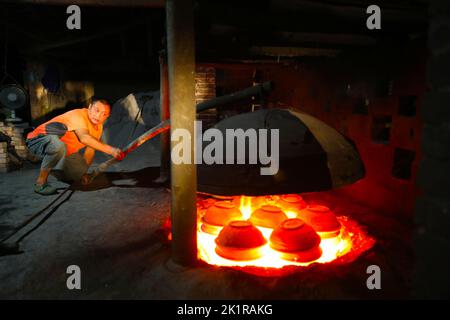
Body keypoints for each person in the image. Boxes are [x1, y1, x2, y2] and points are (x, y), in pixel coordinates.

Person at [26, 97, 124, 195]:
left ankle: (57, 168)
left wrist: (83, 173)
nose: (99, 116)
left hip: (64, 151)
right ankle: (40, 183)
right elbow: (84, 138)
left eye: (104, 114)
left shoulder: (98, 127)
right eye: (97, 110)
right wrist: (111, 150)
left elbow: (90, 150)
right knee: (58, 146)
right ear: (90, 107)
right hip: (37, 140)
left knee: (79, 169)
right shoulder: (78, 115)